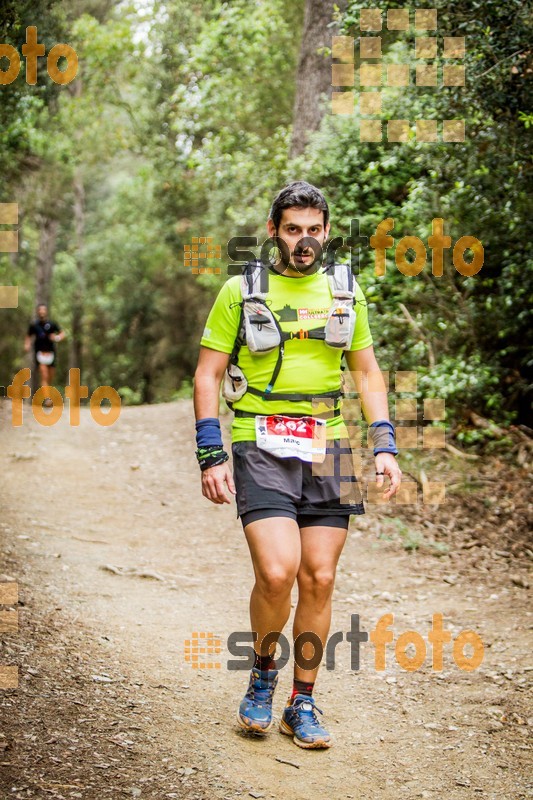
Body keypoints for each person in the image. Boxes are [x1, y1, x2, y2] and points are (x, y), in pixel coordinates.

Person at [193, 181, 402, 749]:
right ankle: (262, 678)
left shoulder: (344, 289)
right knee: (278, 572)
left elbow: (367, 373)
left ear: (327, 231)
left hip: (329, 443)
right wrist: (211, 452)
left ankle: (301, 701)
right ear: (273, 232)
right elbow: (208, 374)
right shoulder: (242, 290)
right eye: (292, 230)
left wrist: (384, 442)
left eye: (314, 229)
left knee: (321, 576)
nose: (304, 240)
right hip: (258, 439)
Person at [25, 303, 65, 406]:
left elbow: (62, 333)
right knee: (44, 375)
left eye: (43, 310)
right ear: (38, 312)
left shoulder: (52, 324)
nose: (42, 312)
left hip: (51, 354)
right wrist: (27, 345)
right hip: (40, 354)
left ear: (46, 312)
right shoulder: (34, 325)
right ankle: (47, 399)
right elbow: (28, 336)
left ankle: (46, 393)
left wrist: (56, 338)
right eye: (40, 310)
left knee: (50, 377)